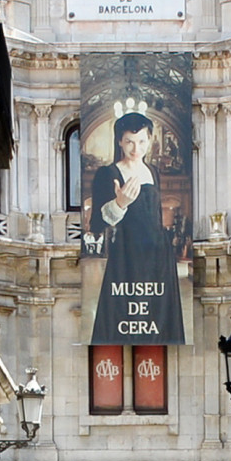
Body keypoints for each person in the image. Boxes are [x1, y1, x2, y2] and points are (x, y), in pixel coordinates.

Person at [88, 112, 185, 344]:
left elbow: (154, 215)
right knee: (128, 314)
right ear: (120, 141)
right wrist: (119, 203)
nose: (136, 148)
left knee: (159, 316)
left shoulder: (152, 171)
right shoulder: (108, 174)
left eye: (141, 141)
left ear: (149, 140)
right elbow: (97, 224)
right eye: (129, 141)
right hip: (127, 255)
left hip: (158, 255)